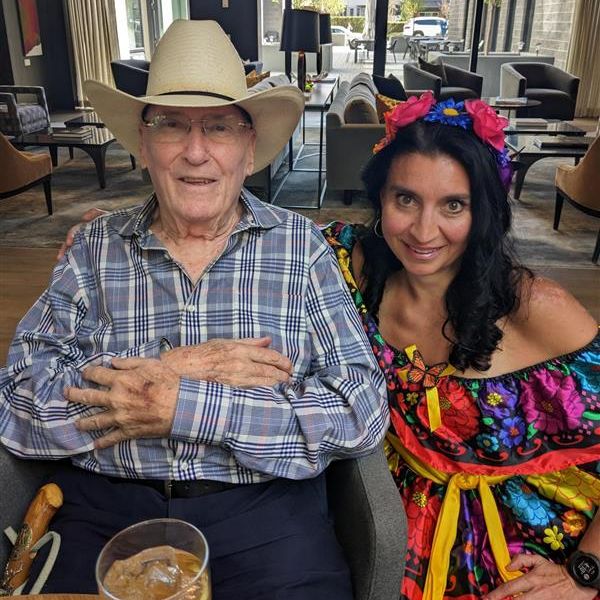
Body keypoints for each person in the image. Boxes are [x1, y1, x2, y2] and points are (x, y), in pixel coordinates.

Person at [0, 20, 389, 599]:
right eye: (171, 125)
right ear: (144, 141)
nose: (196, 151)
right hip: (107, 510)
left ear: (249, 146)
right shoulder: (94, 246)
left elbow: (360, 410)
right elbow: (16, 405)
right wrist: (181, 365)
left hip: (264, 515)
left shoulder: (299, 248)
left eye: (220, 128)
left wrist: (191, 407)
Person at [321, 93, 600, 600]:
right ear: (379, 196)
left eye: (454, 204)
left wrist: (586, 574)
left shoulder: (535, 306)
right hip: (389, 520)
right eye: (405, 199)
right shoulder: (349, 264)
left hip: (520, 550)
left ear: (485, 211)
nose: (424, 231)